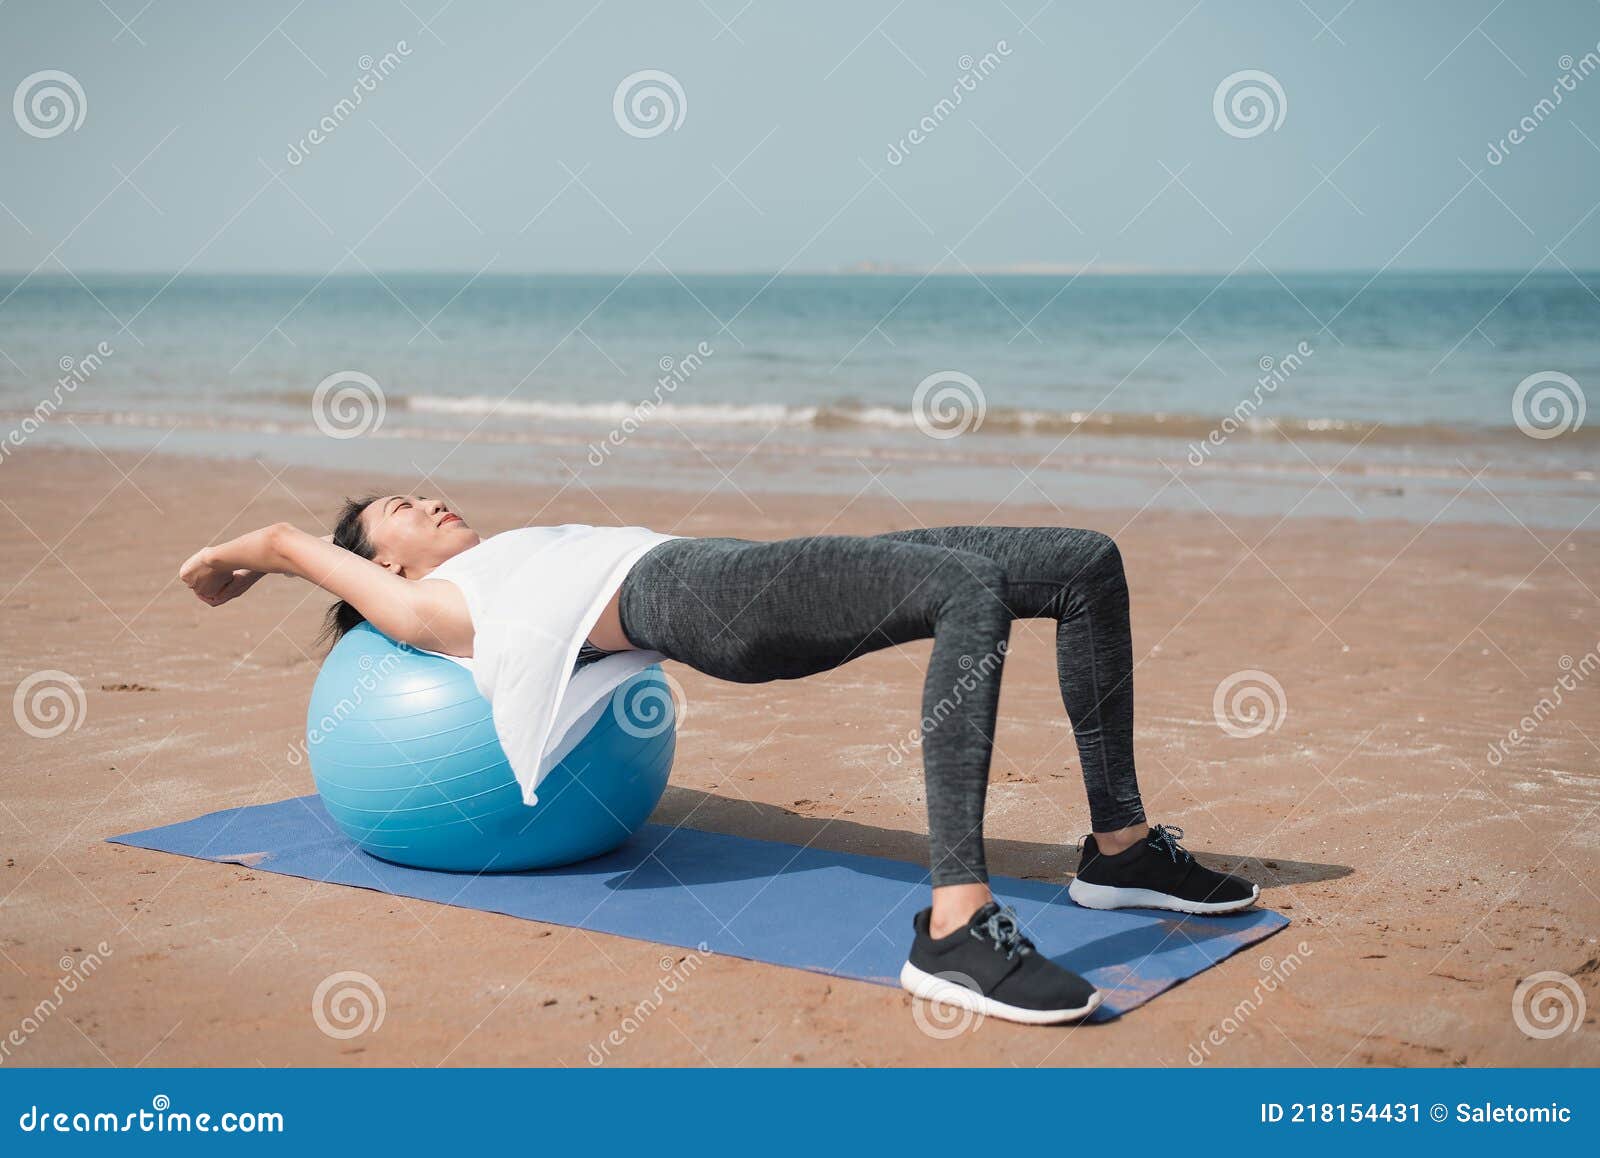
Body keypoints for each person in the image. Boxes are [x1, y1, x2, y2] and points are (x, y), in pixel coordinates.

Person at [179, 495, 1259, 1027]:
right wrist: (245, 557)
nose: (426, 500)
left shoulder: (510, 552)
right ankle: (952, 929)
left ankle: (1119, 847)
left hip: (736, 567)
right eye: (397, 511)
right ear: (381, 562)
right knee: (965, 594)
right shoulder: (435, 605)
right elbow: (283, 543)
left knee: (1078, 564)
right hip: (705, 601)